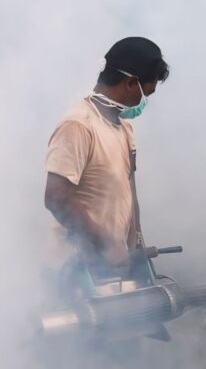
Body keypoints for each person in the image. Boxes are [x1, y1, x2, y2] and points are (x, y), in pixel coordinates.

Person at [44, 37, 169, 275]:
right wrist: (106, 242)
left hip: (110, 268)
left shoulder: (124, 129)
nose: (144, 103)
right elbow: (56, 197)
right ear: (131, 83)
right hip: (75, 272)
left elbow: (129, 192)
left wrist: (136, 246)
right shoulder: (78, 125)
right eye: (146, 94)